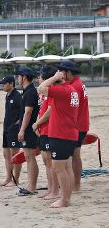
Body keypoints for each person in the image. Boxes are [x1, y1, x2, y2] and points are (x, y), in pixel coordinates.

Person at [37, 70, 79, 208]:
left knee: (59, 167)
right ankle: (66, 197)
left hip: (62, 134)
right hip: (68, 133)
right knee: (66, 167)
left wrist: (53, 77)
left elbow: (40, 88)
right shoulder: (71, 89)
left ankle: (65, 199)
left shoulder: (61, 90)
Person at [58, 60, 89, 192]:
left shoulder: (75, 86)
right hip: (81, 124)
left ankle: (75, 185)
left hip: (78, 125)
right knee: (74, 156)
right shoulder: (77, 83)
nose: (60, 74)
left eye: (62, 71)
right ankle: (74, 184)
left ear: (68, 72)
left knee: (74, 156)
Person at [32, 66, 59, 200]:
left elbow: (49, 112)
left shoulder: (52, 91)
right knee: (47, 162)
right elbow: (42, 110)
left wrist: (37, 123)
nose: (38, 79)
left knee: (50, 162)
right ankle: (50, 189)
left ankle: (54, 191)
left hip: (49, 130)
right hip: (43, 129)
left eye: (40, 76)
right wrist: (38, 124)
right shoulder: (45, 93)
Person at [15, 67, 40, 196]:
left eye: (18, 76)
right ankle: (31, 186)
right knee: (29, 157)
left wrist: (22, 130)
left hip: (29, 130)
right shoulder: (28, 91)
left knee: (30, 157)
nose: (17, 78)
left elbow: (28, 112)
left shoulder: (30, 92)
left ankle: (32, 187)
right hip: (29, 128)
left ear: (23, 77)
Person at [0, 76, 22, 187]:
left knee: (15, 154)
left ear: (11, 84)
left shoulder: (17, 96)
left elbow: (25, 112)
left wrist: (18, 123)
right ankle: (8, 177)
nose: (2, 85)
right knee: (6, 154)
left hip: (14, 129)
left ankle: (15, 179)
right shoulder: (8, 96)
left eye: (4, 83)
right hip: (6, 128)